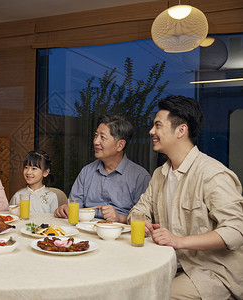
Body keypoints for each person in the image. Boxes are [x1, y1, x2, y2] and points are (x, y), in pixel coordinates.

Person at [129, 95, 243, 300]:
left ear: (181, 130)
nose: (151, 132)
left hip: (211, 272)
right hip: (170, 264)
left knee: (151, 296)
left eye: (158, 125)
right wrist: (142, 220)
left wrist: (179, 241)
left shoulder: (213, 174)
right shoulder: (159, 174)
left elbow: (235, 231)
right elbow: (138, 210)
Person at [54, 114, 150, 222]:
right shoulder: (86, 172)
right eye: (96, 136)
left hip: (122, 235)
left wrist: (119, 218)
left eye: (102, 137)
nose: (96, 142)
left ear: (120, 145)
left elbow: (144, 219)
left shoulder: (140, 177)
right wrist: (66, 209)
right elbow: (76, 207)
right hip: (86, 231)